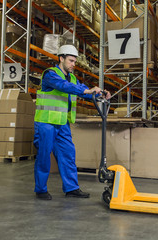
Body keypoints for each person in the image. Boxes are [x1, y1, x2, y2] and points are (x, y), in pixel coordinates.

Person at [33, 45, 111, 200]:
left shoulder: (73, 78)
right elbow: (64, 87)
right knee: (44, 156)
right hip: (46, 123)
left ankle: (71, 188)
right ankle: (40, 189)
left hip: (62, 124)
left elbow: (81, 90)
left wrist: (99, 93)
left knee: (68, 154)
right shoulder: (50, 74)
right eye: (70, 61)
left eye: (75, 61)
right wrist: (87, 91)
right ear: (61, 58)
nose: (73, 64)